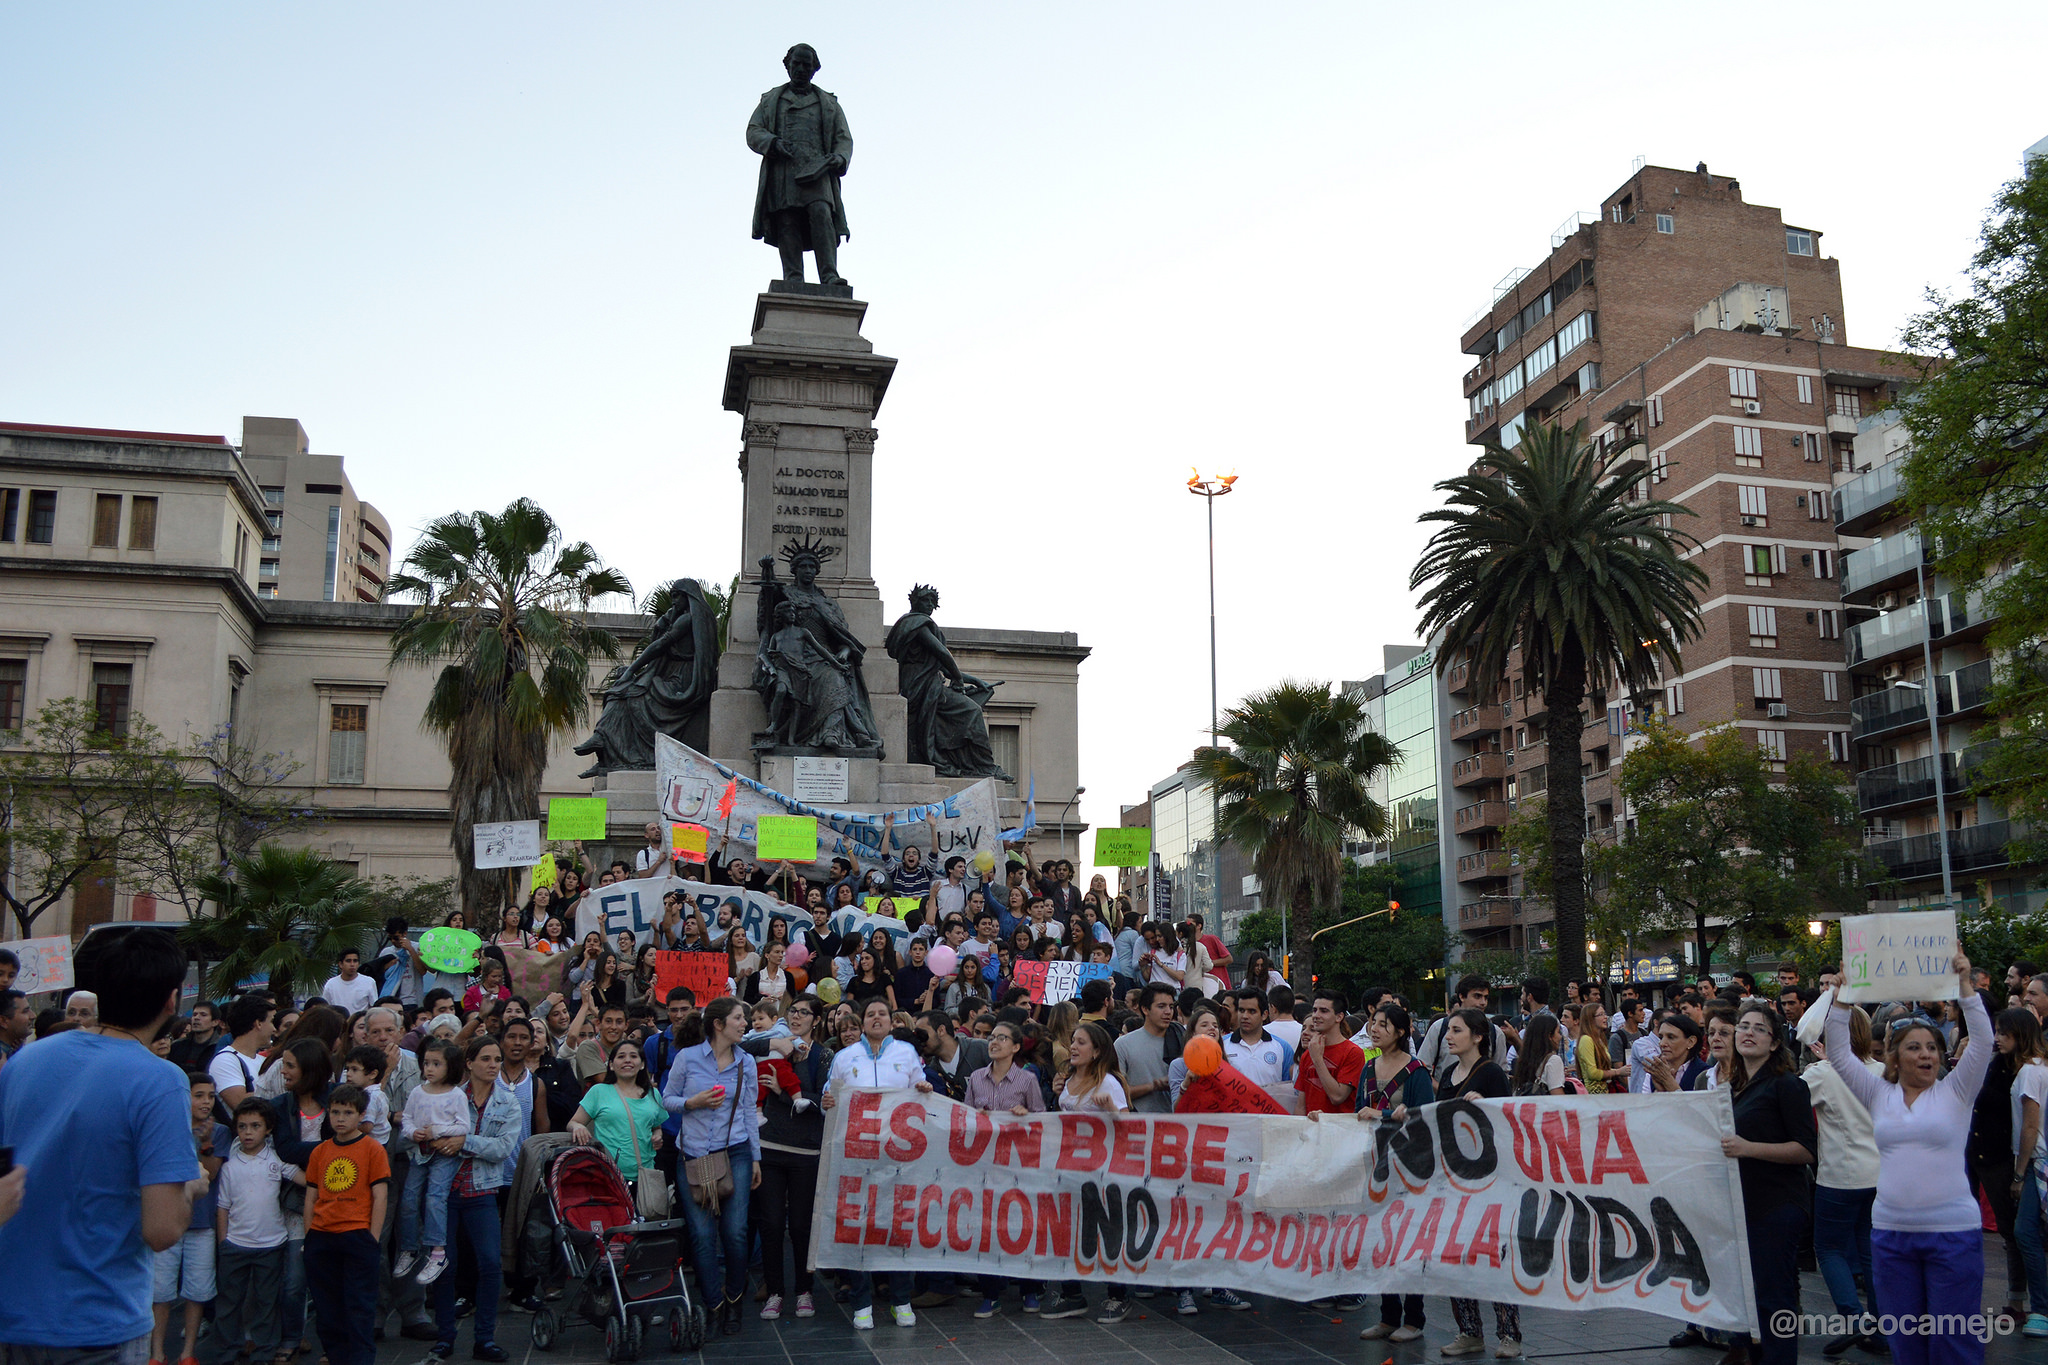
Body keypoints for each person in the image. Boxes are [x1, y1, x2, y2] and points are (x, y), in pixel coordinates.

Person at [0, 925, 209, 1365]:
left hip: (13, 1311)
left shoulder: (26, 1059)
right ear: (172, 1000)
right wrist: (193, 1184)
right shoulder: (160, 1079)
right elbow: (162, 1229)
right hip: (97, 1319)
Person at [1821, 950, 1991, 1365]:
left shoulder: (1957, 1093)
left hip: (1952, 1236)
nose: (1926, 1054)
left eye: (1932, 1047)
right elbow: (1840, 1052)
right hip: (1891, 1237)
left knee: (1954, 1341)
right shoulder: (1879, 1093)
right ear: (1894, 1057)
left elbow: (1984, 1041)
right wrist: (1842, 997)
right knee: (1906, 1343)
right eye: (1914, 1048)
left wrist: (1966, 987)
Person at [1393, 1008, 1515, 1358]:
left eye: (1457, 1030)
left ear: (1478, 1036)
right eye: (1448, 1030)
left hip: (1487, 1178)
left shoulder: (1491, 1073)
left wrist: (1487, 1106)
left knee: (1492, 1255)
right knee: (1456, 1252)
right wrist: (1410, 1113)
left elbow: (1507, 1120)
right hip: (1452, 1175)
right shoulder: (1447, 1073)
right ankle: (1469, 1330)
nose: (1448, 1036)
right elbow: (1441, 1116)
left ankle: (1509, 1333)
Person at [819, 997, 922, 1329]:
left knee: (899, 1226)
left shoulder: (906, 1053)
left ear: (892, 1021)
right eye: (870, 1015)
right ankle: (861, 1303)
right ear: (861, 1022)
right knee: (858, 1227)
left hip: (898, 1157)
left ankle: (901, 1300)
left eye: (882, 1014)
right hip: (857, 1158)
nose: (877, 1018)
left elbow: (920, 1094)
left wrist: (923, 1089)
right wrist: (827, 1102)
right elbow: (828, 1102)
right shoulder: (843, 1058)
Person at [668, 998, 765, 1336]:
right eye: (740, 1018)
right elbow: (667, 1099)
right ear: (719, 1024)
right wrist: (691, 1103)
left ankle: (734, 1299)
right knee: (702, 1236)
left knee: (736, 1234)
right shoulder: (687, 1057)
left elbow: (750, 1112)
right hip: (692, 1156)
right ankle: (713, 1303)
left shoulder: (747, 1062)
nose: (746, 1024)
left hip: (735, 1151)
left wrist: (755, 1158)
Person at [424, 1037, 520, 1363]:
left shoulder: (508, 1101)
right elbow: (430, 1133)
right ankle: (445, 1337)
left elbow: (503, 1149)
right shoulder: (448, 1096)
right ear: (469, 1062)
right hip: (445, 1193)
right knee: (444, 1266)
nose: (493, 1065)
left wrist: (463, 1142)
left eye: (497, 1059)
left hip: (482, 1192)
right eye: (486, 1059)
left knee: (491, 1264)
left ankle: (484, 1339)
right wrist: (446, 1141)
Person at [1348, 1001, 1434, 1344]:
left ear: (1400, 1031)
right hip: (1377, 1165)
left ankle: (1413, 1318)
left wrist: (1385, 1116)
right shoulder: (1369, 1069)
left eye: (1383, 1024)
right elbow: (1359, 1111)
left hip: (1410, 1167)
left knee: (1410, 1242)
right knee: (1380, 1240)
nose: (1374, 1029)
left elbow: (1423, 1115)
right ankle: (1387, 1314)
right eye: (1373, 1022)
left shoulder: (1416, 1072)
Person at [1800, 1004, 1883, 1356]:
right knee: (1870, 1251)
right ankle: (1880, 1327)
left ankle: (1854, 1317)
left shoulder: (1822, 1074)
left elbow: (1792, 1096)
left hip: (1839, 1174)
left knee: (1829, 1248)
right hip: (1881, 1174)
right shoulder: (1883, 1070)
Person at [300, 1084, 390, 1365]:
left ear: (360, 1115)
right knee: (327, 1307)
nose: (340, 1118)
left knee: (359, 1304)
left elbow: (380, 1194)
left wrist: (372, 1238)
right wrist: (308, 1237)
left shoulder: (372, 1149)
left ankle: (361, 1358)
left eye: (348, 1113)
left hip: (357, 1234)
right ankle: (337, 1356)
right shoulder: (320, 1151)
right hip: (322, 1236)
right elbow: (311, 1195)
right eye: (335, 1112)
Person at [211, 1098, 304, 1365]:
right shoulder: (229, 1165)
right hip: (235, 1245)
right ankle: (227, 1352)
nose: (248, 1132)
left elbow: (302, 1177)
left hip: (271, 1244)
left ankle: (264, 1352)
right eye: (242, 1126)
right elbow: (222, 1207)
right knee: (229, 1303)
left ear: (268, 1129)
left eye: (255, 1126)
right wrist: (224, 1243)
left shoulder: (275, 1159)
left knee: (266, 1303)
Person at [966, 1019, 1048, 1318]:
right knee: (988, 1228)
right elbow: (967, 1119)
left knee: (1022, 1226)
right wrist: (978, 1115)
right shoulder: (975, 1078)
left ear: (1015, 1047)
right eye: (991, 1037)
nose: (994, 1042)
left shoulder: (1027, 1081)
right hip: (987, 1165)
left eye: (1002, 1038)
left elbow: (1042, 1120)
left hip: (1018, 1167)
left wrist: (1025, 1115)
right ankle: (990, 1294)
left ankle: (1029, 1288)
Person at [756, 996, 826, 1322]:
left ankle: (804, 1289)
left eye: (804, 1013)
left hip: (806, 1151)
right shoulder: (772, 1043)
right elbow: (739, 1051)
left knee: (800, 1226)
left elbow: (825, 1102)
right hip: (769, 1146)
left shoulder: (824, 1056)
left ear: (816, 1020)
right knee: (769, 1224)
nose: (796, 1017)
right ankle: (774, 1291)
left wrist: (782, 1094)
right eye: (792, 1011)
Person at [151, 1072, 225, 1365]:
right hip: (169, 1216)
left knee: (198, 1289)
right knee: (161, 1291)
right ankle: (157, 1353)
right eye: (199, 1095)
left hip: (202, 1222)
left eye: (210, 1095)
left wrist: (205, 1143)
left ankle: (188, 1353)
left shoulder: (219, 1132)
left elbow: (213, 1172)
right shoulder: (169, 1128)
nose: (206, 1102)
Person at [393, 1039, 468, 1286]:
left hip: (444, 1155)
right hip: (419, 1153)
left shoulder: (456, 1095)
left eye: (437, 1064)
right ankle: (409, 1248)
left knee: (435, 1197)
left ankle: (437, 1251)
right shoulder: (417, 1092)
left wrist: (436, 1131)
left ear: (451, 1066)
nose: (430, 1069)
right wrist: (412, 1133)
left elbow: (463, 1126)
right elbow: (407, 1119)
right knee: (409, 1198)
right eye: (427, 1063)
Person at [1995, 1007, 2048, 1337]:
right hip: (2038, 1161)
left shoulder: (2030, 1072)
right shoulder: (2039, 1067)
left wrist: (2018, 1172)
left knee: (2025, 1232)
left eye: (2004, 1032)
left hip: (2036, 1162)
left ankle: (2041, 1308)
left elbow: (2030, 1124)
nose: (1998, 1038)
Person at [566, 1038, 666, 1200]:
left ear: (642, 1064)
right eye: (621, 1057)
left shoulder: (653, 1094)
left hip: (645, 1175)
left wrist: (658, 1135)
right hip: (608, 1174)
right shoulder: (599, 1091)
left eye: (633, 1056)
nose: (627, 1060)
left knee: (644, 1222)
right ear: (611, 1065)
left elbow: (657, 1126)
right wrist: (578, 1127)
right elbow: (573, 1122)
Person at [1295, 989, 1365, 1115]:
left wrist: (1317, 1060)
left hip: (1340, 1129)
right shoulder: (1308, 1053)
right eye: (1314, 1010)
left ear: (1339, 1017)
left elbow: (1337, 1097)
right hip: (1311, 1129)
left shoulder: (1353, 1052)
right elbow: (1301, 1105)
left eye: (1324, 1011)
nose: (1316, 1015)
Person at [1116, 984, 1180, 1114]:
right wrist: (1154, 1086)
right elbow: (1116, 1093)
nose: (1168, 1012)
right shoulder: (1123, 1044)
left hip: (1178, 1124)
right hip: (1139, 1125)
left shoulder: (1183, 1039)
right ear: (1145, 1009)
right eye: (1161, 1006)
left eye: (1171, 1007)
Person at [210, 995, 277, 1112]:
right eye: (271, 1021)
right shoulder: (225, 1060)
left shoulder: (263, 1061)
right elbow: (242, 1105)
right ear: (258, 1023)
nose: (274, 1029)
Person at [1223, 988, 1293, 1086]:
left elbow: (1289, 1087)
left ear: (1264, 1015)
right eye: (1241, 1010)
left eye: (1251, 1011)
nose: (1245, 1016)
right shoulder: (1222, 1045)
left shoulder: (1283, 1048)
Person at [1510, 1012, 1567, 1096]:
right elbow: (1558, 1096)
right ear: (1549, 1036)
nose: (1560, 1037)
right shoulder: (1553, 1060)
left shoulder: (1524, 1060)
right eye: (1558, 1032)